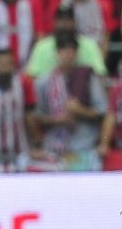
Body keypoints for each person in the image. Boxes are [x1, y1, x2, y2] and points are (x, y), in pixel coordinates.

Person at [35, 33, 107, 171]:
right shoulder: (43, 81)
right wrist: (58, 120)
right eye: (63, 51)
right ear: (57, 53)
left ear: (76, 54)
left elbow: (102, 113)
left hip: (84, 147)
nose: (67, 55)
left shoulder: (88, 77)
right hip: (53, 149)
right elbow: (37, 118)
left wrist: (80, 110)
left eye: (71, 51)